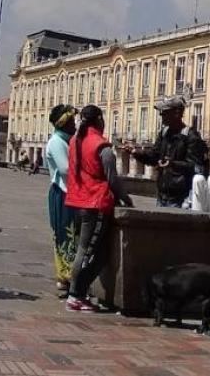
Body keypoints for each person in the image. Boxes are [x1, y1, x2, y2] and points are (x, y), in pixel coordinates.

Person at [64, 105, 133, 312]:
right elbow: (112, 178)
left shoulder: (74, 141)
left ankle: (79, 291)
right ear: (99, 121)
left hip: (77, 201)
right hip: (95, 202)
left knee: (98, 252)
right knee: (86, 251)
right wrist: (126, 199)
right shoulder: (102, 147)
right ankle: (74, 295)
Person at [126, 96, 206, 208]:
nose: (161, 115)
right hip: (162, 195)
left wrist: (173, 164)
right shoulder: (164, 133)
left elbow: (196, 167)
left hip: (181, 198)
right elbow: (154, 156)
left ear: (177, 113)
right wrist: (136, 152)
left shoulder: (190, 136)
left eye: (165, 112)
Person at [45, 104, 78, 299]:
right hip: (62, 191)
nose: (75, 125)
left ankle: (67, 276)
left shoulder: (66, 141)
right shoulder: (57, 142)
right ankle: (65, 275)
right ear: (63, 124)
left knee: (70, 234)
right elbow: (65, 169)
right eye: (72, 122)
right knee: (65, 234)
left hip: (69, 192)